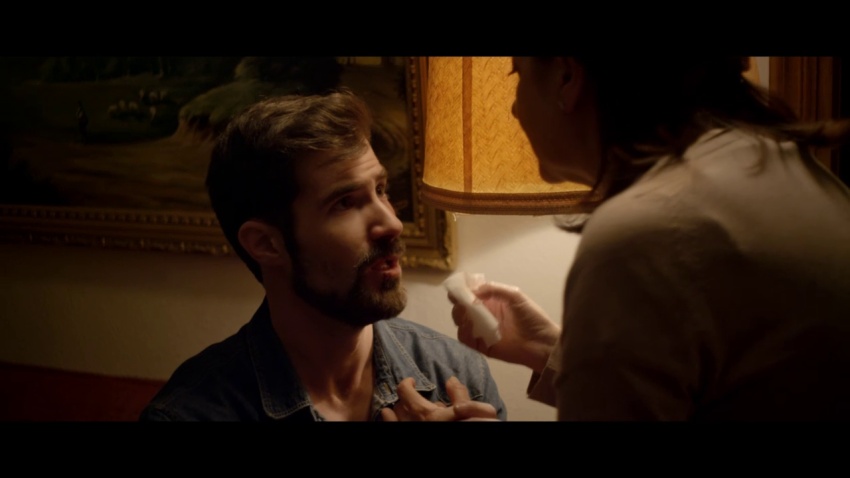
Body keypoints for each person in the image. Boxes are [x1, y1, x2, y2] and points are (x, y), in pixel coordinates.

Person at [383, 56, 850, 421]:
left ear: (567, 77)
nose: (514, 107)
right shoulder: (786, 168)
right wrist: (549, 351)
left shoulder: (647, 234)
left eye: (518, 75)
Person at [139, 89, 505, 421]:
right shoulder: (190, 414)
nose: (392, 224)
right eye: (345, 203)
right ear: (265, 244)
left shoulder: (458, 377)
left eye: (381, 189)